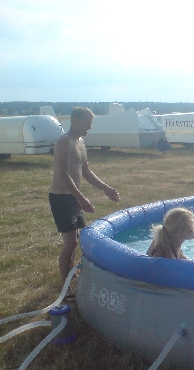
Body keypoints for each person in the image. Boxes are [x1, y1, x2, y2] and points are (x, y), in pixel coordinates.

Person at [49, 107, 120, 290]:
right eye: (87, 123)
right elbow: (64, 174)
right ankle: (65, 289)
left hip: (73, 198)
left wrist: (106, 188)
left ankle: (70, 275)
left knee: (76, 238)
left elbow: (86, 172)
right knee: (70, 242)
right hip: (61, 197)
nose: (90, 127)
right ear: (75, 120)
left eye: (91, 123)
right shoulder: (65, 142)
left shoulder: (80, 142)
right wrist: (81, 198)